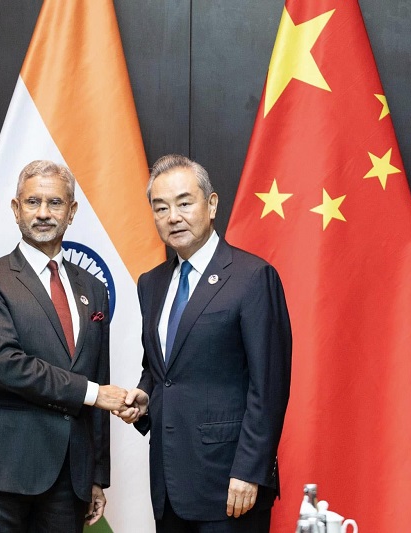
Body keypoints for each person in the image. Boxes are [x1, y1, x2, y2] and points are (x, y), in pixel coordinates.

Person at [0, 160, 132, 533]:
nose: (44, 213)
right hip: (1, 471)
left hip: (70, 477)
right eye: (33, 202)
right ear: (16, 209)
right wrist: (92, 393)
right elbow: (6, 365)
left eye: (55, 203)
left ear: (72, 212)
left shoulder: (93, 290)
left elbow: (99, 373)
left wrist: (97, 474)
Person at [119, 154, 292, 532]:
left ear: (211, 205)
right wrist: (145, 396)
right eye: (160, 207)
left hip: (229, 483)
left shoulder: (252, 277)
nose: (173, 217)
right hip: (168, 481)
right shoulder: (151, 283)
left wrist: (250, 470)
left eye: (184, 203)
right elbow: (161, 368)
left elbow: (270, 386)